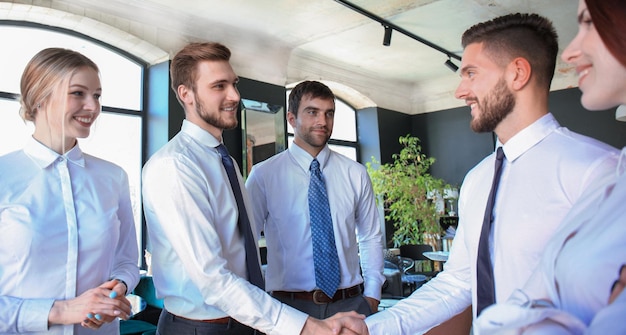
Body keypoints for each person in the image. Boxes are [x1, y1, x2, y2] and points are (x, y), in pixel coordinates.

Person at [361, 13, 620, 334]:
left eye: (471, 73)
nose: (460, 91)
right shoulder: (477, 179)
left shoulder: (599, 172)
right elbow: (458, 281)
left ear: (517, 73)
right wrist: (372, 328)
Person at [142, 42, 367, 335]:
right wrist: (307, 326)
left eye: (234, 84)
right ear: (186, 94)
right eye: (219, 86)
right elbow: (212, 279)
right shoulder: (175, 166)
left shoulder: (225, 162)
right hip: (199, 328)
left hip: (243, 320)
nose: (235, 95)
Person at [474, 1, 626, 333]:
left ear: (517, 73)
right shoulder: (617, 181)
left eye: (589, 23)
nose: (570, 52)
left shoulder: (599, 168)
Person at [0, 48, 139, 334]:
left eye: (97, 95)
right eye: (78, 93)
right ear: (39, 97)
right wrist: (60, 311)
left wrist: (115, 292)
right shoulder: (4, 176)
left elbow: (126, 261)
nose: (93, 107)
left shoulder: (114, 178)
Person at [245, 81, 385, 318]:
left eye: (329, 113)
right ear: (292, 119)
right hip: (288, 309)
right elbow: (245, 244)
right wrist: (258, 302)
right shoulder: (263, 175)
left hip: (350, 304)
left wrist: (372, 297)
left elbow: (370, 236)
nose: (323, 121)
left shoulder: (355, 173)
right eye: (312, 112)